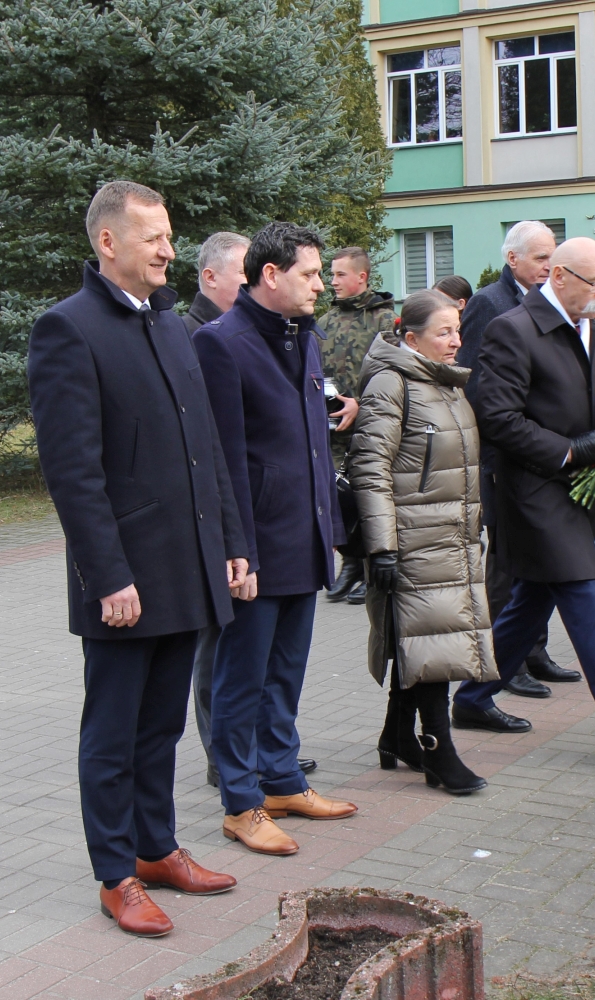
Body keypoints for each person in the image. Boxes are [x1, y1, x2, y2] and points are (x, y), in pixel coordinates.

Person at [27, 180, 242, 939]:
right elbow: (72, 472)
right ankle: (116, 873)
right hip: (125, 576)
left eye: (169, 236)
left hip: (185, 566)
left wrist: (230, 545)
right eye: (154, 237)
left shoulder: (170, 325)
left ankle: (157, 848)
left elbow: (206, 446)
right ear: (108, 242)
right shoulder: (68, 329)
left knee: (162, 728)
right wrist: (107, 575)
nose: (168, 250)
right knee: (113, 734)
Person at [454, 238, 595, 769]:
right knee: (585, 600)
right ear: (559, 276)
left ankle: (471, 700)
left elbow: (593, 404)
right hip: (529, 493)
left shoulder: (590, 325)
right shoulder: (512, 328)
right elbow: (497, 419)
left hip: (574, 489)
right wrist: (574, 450)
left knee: (529, 605)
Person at [193, 222, 357, 857]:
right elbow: (224, 461)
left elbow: (313, 446)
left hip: (303, 537)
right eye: (310, 274)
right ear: (270, 275)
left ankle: (283, 781)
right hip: (256, 547)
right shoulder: (221, 343)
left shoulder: (302, 337)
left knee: (286, 672)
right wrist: (239, 550)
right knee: (241, 681)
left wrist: (330, 531)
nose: (320, 285)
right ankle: (241, 802)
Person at [348, 290, 495, 795]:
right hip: (413, 538)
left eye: (457, 330)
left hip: (449, 535)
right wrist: (383, 547)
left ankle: (396, 736)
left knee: (424, 639)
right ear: (411, 338)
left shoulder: (443, 380)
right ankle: (438, 750)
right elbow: (370, 467)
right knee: (435, 643)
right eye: (443, 332)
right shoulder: (391, 383)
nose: (456, 340)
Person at [457, 220, 579, 699]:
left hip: (542, 455)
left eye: (554, 256)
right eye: (541, 257)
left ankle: (533, 650)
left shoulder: (550, 302)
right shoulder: (490, 303)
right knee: (507, 564)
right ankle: (500, 660)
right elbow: (476, 384)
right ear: (513, 259)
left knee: (538, 557)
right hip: (502, 456)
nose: (550, 265)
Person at [320, 248, 395, 606]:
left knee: (369, 496)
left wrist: (361, 405)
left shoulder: (385, 320)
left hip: (371, 426)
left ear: (362, 277)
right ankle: (350, 563)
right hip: (333, 428)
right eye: (331, 274)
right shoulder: (325, 320)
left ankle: (368, 568)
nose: (332, 281)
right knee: (339, 498)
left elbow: (395, 375)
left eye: (340, 274)